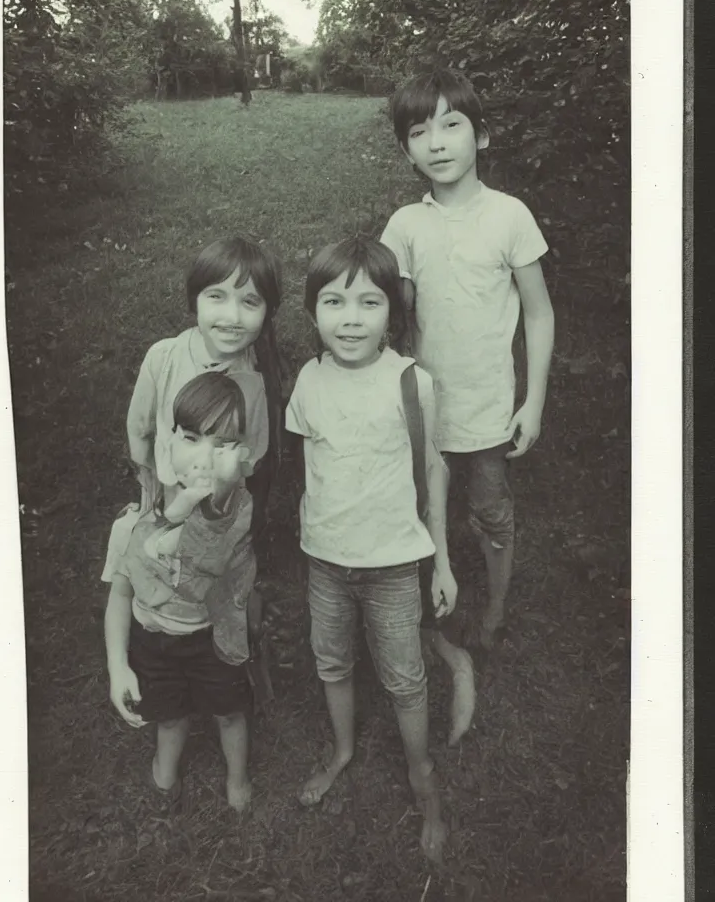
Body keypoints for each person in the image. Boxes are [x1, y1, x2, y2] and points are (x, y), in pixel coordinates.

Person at [285, 234, 465, 862]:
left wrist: (440, 559)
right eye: (334, 302)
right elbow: (311, 466)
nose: (351, 318)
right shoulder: (307, 380)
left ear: (394, 311)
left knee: (404, 679)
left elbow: (433, 470)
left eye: (369, 302)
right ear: (312, 313)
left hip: (392, 565)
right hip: (326, 563)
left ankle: (423, 779)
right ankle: (342, 750)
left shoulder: (412, 383)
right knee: (331, 662)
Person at [381, 69, 555, 647]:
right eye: (418, 131)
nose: (436, 142)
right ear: (407, 149)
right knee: (420, 504)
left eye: (451, 125)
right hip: (424, 410)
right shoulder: (405, 224)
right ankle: (423, 601)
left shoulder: (510, 215)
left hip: (485, 407)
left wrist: (533, 403)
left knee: (490, 511)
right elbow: (390, 307)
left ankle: (496, 607)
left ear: (480, 137)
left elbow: (538, 313)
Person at [103, 372, 256, 812]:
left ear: (241, 456)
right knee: (169, 717)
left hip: (213, 637)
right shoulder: (131, 524)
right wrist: (118, 667)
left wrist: (206, 502)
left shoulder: (235, 518)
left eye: (224, 444)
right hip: (155, 642)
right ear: (167, 447)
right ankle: (165, 770)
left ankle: (237, 776)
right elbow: (120, 595)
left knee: (229, 713)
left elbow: (208, 560)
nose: (206, 457)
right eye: (191, 437)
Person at [126, 235, 282, 545]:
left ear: (267, 312)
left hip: (222, 510)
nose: (232, 318)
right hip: (167, 497)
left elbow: (251, 459)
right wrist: (149, 490)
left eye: (250, 302)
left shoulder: (257, 377)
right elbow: (139, 429)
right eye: (216, 296)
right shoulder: (163, 358)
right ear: (194, 299)